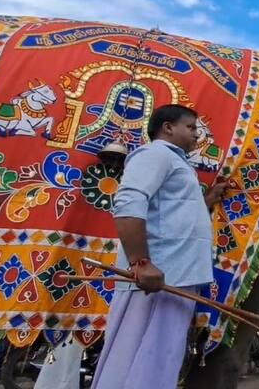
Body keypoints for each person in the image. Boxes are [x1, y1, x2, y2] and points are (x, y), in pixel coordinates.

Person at [92, 105, 226, 389]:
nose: (196, 135)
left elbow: (175, 217)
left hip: (176, 277)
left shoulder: (176, 162)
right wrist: (141, 263)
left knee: (159, 361)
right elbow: (128, 203)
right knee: (139, 362)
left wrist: (209, 200)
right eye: (190, 127)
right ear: (168, 128)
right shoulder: (155, 155)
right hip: (155, 280)